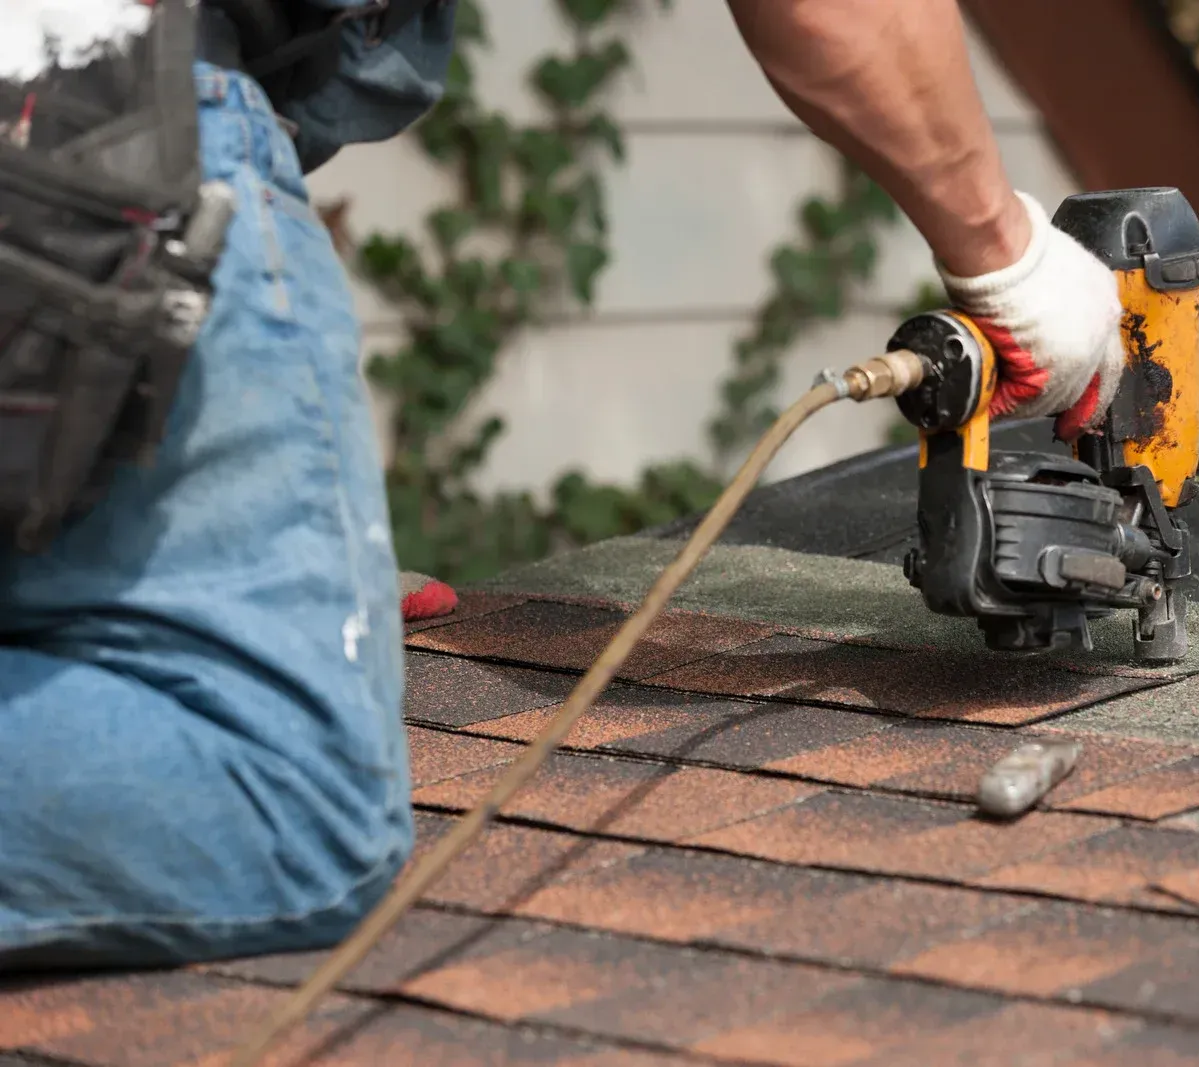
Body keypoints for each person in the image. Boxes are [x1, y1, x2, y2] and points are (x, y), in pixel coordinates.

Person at [0, 0, 1123, 968]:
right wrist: (1006, 253)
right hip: (80, 92)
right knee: (280, 795)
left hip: (71, 113)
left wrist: (291, 558)